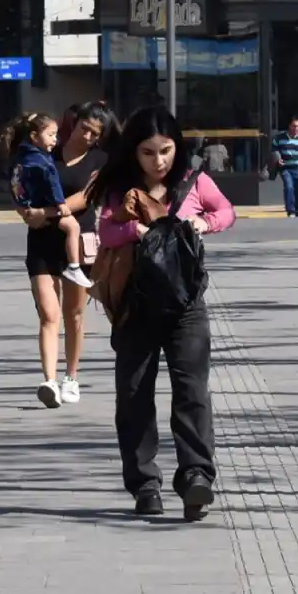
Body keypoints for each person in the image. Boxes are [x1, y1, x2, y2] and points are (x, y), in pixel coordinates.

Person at [86, 105, 236, 520]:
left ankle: (196, 478)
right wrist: (136, 228)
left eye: (166, 150)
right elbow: (106, 231)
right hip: (136, 307)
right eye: (148, 152)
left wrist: (205, 224)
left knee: (192, 392)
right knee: (134, 397)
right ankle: (144, 484)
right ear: (134, 152)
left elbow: (227, 211)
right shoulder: (121, 189)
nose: (158, 161)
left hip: (186, 304)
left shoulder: (193, 183)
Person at [18, 101, 117, 408]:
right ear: (74, 123)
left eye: (94, 134)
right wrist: (24, 211)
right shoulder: (45, 150)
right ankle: (49, 381)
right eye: (84, 128)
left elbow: (84, 198)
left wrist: (41, 212)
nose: (87, 136)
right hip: (40, 242)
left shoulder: (101, 160)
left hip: (77, 243)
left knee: (74, 314)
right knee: (48, 314)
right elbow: (22, 183)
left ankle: (71, 377)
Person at [4, 112, 93, 291]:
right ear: (34, 137)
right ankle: (74, 266)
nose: (55, 140)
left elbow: (14, 184)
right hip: (46, 207)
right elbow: (53, 185)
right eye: (51, 135)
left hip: (31, 205)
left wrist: (23, 206)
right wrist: (61, 204)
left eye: (56, 134)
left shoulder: (20, 157)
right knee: (73, 227)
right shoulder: (44, 161)